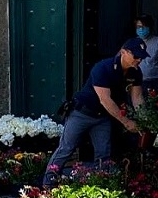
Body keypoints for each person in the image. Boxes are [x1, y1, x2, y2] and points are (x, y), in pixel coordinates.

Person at [42, 38, 148, 188]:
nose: (139, 59)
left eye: (142, 56)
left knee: (103, 154)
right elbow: (105, 99)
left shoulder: (136, 73)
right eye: (136, 56)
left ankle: (102, 186)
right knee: (66, 148)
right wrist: (127, 122)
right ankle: (48, 184)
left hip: (103, 117)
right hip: (82, 113)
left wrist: (144, 120)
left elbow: (137, 97)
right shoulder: (103, 67)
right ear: (124, 52)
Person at [135, 14, 158, 101]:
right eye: (138, 26)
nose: (141, 29)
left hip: (154, 83)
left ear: (150, 27)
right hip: (136, 83)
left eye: (144, 26)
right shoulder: (132, 43)